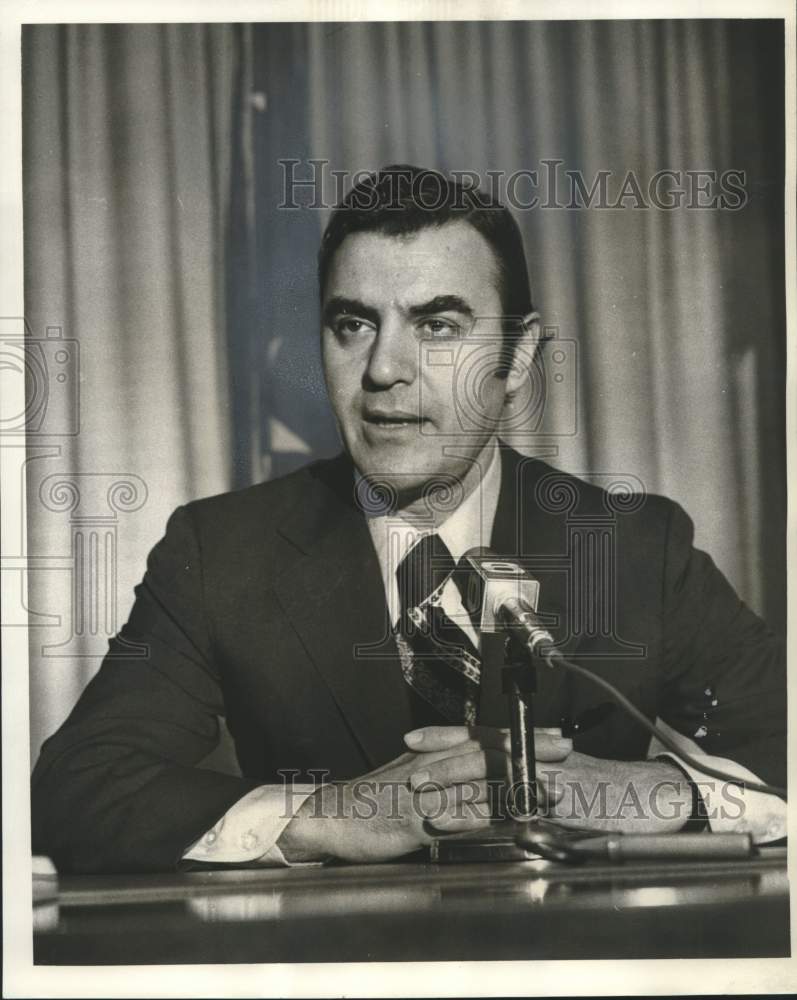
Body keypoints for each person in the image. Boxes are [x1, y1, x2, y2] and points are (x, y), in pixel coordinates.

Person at [31, 166, 786, 873]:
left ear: (518, 356)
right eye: (353, 325)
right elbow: (75, 789)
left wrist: (651, 794)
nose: (384, 370)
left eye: (437, 326)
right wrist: (326, 814)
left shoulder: (634, 546)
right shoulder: (220, 551)